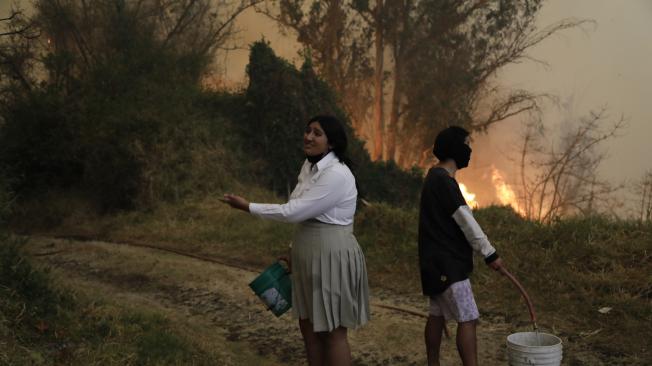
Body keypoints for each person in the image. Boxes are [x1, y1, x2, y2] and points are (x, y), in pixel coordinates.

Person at [221, 115, 370, 366]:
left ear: (331, 143)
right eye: (308, 130)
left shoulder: (337, 175)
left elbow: (293, 212)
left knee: (332, 330)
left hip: (331, 253)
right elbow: (301, 210)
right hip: (306, 251)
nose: (309, 136)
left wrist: (248, 207)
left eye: (317, 133)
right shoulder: (310, 166)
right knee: (309, 327)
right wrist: (292, 250)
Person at [418, 126, 504, 366]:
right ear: (456, 149)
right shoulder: (444, 182)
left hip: (433, 263)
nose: (469, 150)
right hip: (449, 265)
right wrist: (490, 254)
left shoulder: (433, 177)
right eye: (466, 145)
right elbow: (467, 222)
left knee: (436, 315)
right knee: (468, 318)